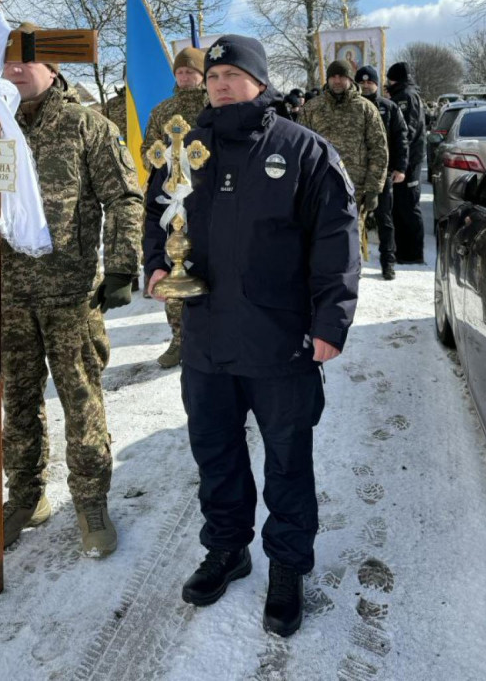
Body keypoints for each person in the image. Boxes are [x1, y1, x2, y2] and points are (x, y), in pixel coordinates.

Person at [144, 34, 360, 638]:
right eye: (213, 76)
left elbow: (336, 240)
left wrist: (330, 321)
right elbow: (158, 213)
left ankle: (288, 565)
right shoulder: (184, 149)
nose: (218, 84)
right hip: (208, 341)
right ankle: (227, 549)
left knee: (288, 461)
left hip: (280, 340)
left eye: (232, 74)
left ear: (259, 82)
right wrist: (158, 263)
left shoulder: (302, 151)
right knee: (216, 455)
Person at [0, 24, 144, 555]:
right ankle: (26, 495)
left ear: (53, 68)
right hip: (2, 296)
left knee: (82, 402)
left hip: (71, 295)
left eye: (30, 59)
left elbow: (124, 198)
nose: (17, 68)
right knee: (17, 404)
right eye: (8, 60)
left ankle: (91, 501)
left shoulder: (85, 126)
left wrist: (121, 267)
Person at [141, 46, 207, 367]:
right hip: (172, 200)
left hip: (208, 199)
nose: (185, 77)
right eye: (180, 72)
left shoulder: (213, 106)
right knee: (173, 262)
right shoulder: (162, 110)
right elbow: (147, 151)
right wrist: (164, 159)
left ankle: (208, 337)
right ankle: (178, 337)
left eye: (191, 72)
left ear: (201, 74)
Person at [299, 58, 388, 246]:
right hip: (320, 187)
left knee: (350, 240)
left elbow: (378, 149)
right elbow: (300, 149)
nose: (337, 81)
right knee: (319, 239)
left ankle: (350, 275)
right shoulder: (312, 108)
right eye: (333, 76)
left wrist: (374, 189)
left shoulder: (366, 108)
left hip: (355, 189)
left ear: (350, 79)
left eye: (342, 76)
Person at [355, 65, 408, 280]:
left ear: (377, 84)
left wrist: (401, 167)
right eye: (362, 82)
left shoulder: (389, 107)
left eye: (370, 82)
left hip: (381, 173)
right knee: (353, 220)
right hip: (355, 173)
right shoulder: (351, 107)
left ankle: (388, 262)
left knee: (384, 219)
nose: (366, 85)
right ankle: (353, 262)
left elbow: (400, 138)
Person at [385, 61, 427, 264]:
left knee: (408, 207)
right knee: (401, 207)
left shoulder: (406, 97)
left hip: (409, 162)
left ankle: (412, 254)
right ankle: (404, 251)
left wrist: (400, 161)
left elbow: (405, 132)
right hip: (407, 160)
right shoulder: (404, 94)